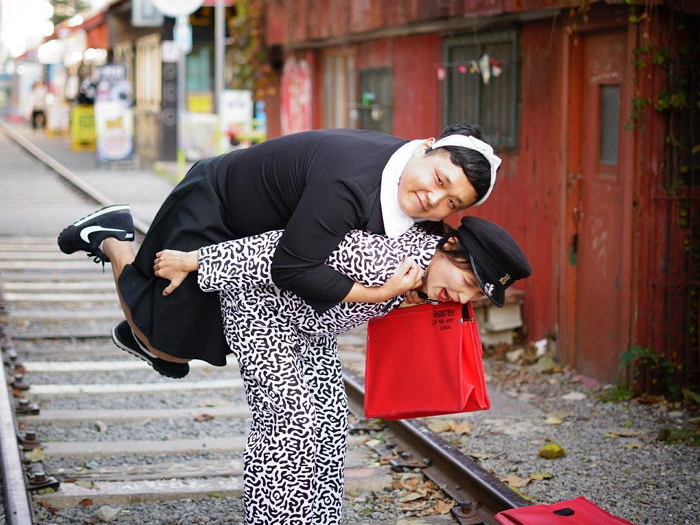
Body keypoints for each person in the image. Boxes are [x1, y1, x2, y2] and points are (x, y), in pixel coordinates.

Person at [149, 216, 531, 525]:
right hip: (261, 307)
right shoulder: (384, 256)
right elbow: (279, 249)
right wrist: (195, 261)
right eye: (466, 279)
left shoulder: (424, 276)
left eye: (475, 294)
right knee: (289, 421)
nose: (462, 296)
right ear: (449, 246)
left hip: (311, 324)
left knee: (330, 422)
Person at [57, 124, 501, 378]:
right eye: (439, 180)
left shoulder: (418, 201)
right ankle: (110, 236)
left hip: (266, 232)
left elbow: (430, 251)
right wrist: (376, 293)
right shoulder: (349, 183)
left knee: (186, 344)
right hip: (220, 201)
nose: (434, 200)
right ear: (425, 148)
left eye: (452, 204)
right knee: (164, 343)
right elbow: (291, 267)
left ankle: (146, 331)